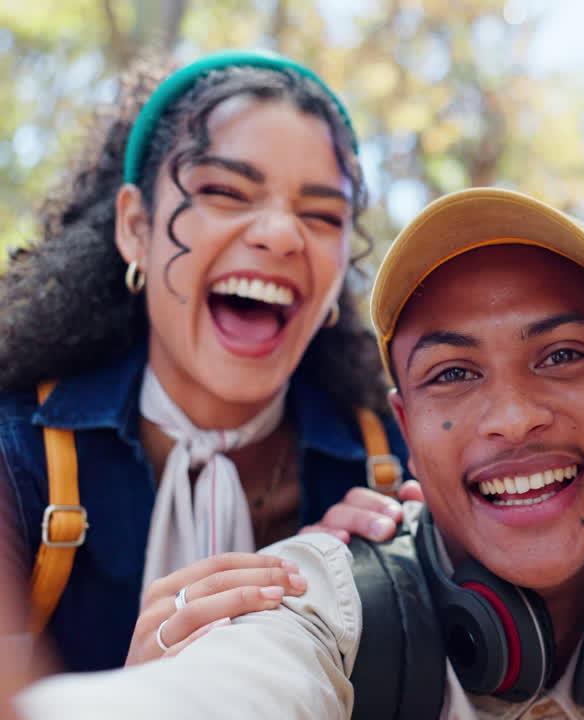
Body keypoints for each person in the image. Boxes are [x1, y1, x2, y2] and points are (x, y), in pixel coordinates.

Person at [17, 187, 584, 720]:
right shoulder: (322, 607)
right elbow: (236, 682)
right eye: (453, 373)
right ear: (405, 426)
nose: (512, 419)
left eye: (562, 355)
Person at [0, 49, 410, 674]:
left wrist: (386, 581)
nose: (282, 234)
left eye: (323, 215)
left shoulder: (392, 465)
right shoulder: (17, 460)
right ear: (136, 227)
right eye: (224, 191)